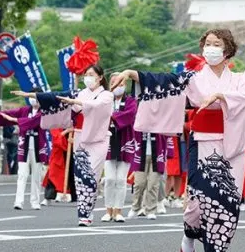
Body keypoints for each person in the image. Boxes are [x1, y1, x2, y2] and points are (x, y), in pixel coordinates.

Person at [111, 28, 245, 252]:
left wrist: (222, 95)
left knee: (226, 201)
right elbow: (162, 81)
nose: (210, 48)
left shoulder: (240, 79)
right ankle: (189, 234)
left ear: (227, 50)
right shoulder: (194, 79)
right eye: (207, 43)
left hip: (231, 146)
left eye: (216, 44)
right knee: (198, 202)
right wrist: (130, 73)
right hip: (202, 141)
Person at [22, 65, 113, 227]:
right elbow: (56, 96)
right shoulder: (80, 92)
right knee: (81, 177)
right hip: (80, 136)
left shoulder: (106, 95)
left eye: (91, 74)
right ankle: (84, 214)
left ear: (100, 77)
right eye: (86, 74)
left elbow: (96, 105)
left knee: (91, 175)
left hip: (98, 138)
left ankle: (88, 208)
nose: (88, 77)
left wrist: (75, 102)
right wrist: (32, 95)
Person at [0, 95, 46, 211]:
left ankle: (35, 201)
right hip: (24, 145)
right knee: (22, 174)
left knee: (36, 175)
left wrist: (15, 120)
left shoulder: (45, 112)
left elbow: (33, 122)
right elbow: (10, 113)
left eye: (35, 96)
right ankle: (18, 201)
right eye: (31, 96)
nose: (33, 99)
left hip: (37, 146)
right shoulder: (24, 110)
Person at [102, 79, 137, 222]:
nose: (118, 87)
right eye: (115, 84)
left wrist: (111, 117)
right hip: (108, 141)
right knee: (110, 179)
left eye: (121, 84)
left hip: (125, 141)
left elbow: (130, 115)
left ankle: (118, 211)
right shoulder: (105, 100)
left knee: (121, 180)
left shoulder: (130, 101)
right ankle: (108, 210)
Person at [128, 131, 168, 220]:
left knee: (153, 184)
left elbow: (167, 134)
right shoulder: (140, 120)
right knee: (139, 183)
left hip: (157, 154)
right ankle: (135, 207)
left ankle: (151, 210)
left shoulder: (159, 121)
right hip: (140, 154)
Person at [42, 127, 77, 204]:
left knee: (72, 173)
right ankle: (49, 197)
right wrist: (67, 131)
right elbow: (56, 138)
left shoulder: (74, 122)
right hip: (58, 153)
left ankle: (72, 196)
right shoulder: (57, 123)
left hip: (72, 151)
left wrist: (74, 140)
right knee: (53, 175)